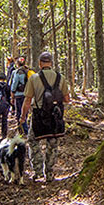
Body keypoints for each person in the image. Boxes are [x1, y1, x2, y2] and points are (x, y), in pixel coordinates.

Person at [19, 51, 69, 183]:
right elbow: (67, 99)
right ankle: (50, 173)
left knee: (33, 141)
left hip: (38, 116)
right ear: (51, 63)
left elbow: (27, 100)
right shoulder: (61, 77)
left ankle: (38, 171)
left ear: (40, 64)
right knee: (52, 144)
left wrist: (22, 117)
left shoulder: (34, 78)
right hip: (55, 117)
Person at [11, 56, 32, 131]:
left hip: (19, 95)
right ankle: (25, 128)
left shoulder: (18, 72)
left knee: (19, 113)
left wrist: (12, 95)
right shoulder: (28, 70)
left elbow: (14, 84)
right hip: (27, 94)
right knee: (25, 112)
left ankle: (23, 130)